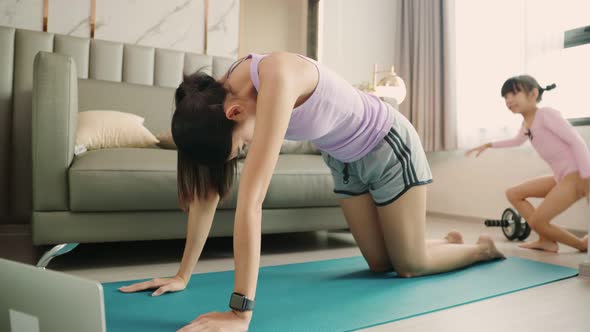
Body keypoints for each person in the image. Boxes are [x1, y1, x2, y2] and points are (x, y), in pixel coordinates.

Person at [120, 52, 504, 332]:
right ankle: (435, 241)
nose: (242, 152)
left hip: (387, 144)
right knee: (378, 266)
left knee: (408, 267)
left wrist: (240, 313)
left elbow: (250, 205)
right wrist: (183, 274)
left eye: (238, 149)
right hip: (343, 160)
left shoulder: (277, 80)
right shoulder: (219, 97)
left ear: (234, 114)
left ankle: (478, 248)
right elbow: (208, 193)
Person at [466, 75, 590, 253]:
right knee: (514, 193)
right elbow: (516, 141)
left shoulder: (546, 114)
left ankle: (581, 244)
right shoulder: (526, 123)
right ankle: (546, 240)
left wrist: (587, 177)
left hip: (576, 175)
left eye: (514, 94)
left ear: (532, 94)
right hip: (561, 176)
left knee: (537, 221)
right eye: (505, 97)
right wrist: (489, 144)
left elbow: (576, 142)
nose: (508, 100)